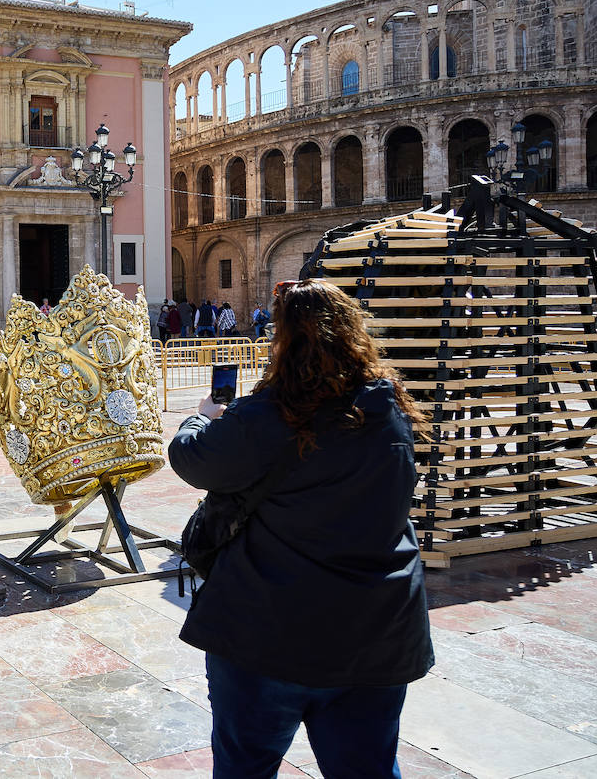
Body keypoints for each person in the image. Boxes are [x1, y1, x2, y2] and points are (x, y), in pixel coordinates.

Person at [167, 279, 433, 777]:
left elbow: (193, 460)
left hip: (269, 631)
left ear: (282, 342)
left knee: (245, 765)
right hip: (372, 629)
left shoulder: (268, 416)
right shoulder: (388, 412)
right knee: (369, 767)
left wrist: (198, 420)